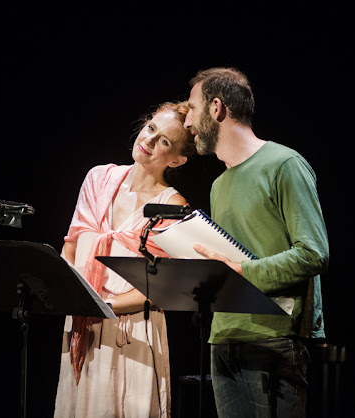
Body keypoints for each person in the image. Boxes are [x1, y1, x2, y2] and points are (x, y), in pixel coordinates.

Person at [184, 67, 329, 417]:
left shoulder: (284, 164)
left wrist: (241, 271)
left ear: (216, 107)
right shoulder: (219, 185)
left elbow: (314, 253)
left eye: (191, 108)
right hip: (223, 336)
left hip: (273, 337)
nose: (187, 122)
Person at [54, 101, 196, 417]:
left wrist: (102, 305)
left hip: (131, 330)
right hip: (82, 323)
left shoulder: (173, 206)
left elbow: (162, 286)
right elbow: (71, 248)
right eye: (150, 128)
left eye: (164, 141)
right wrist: (69, 296)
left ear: (177, 159)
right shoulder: (98, 179)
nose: (149, 140)